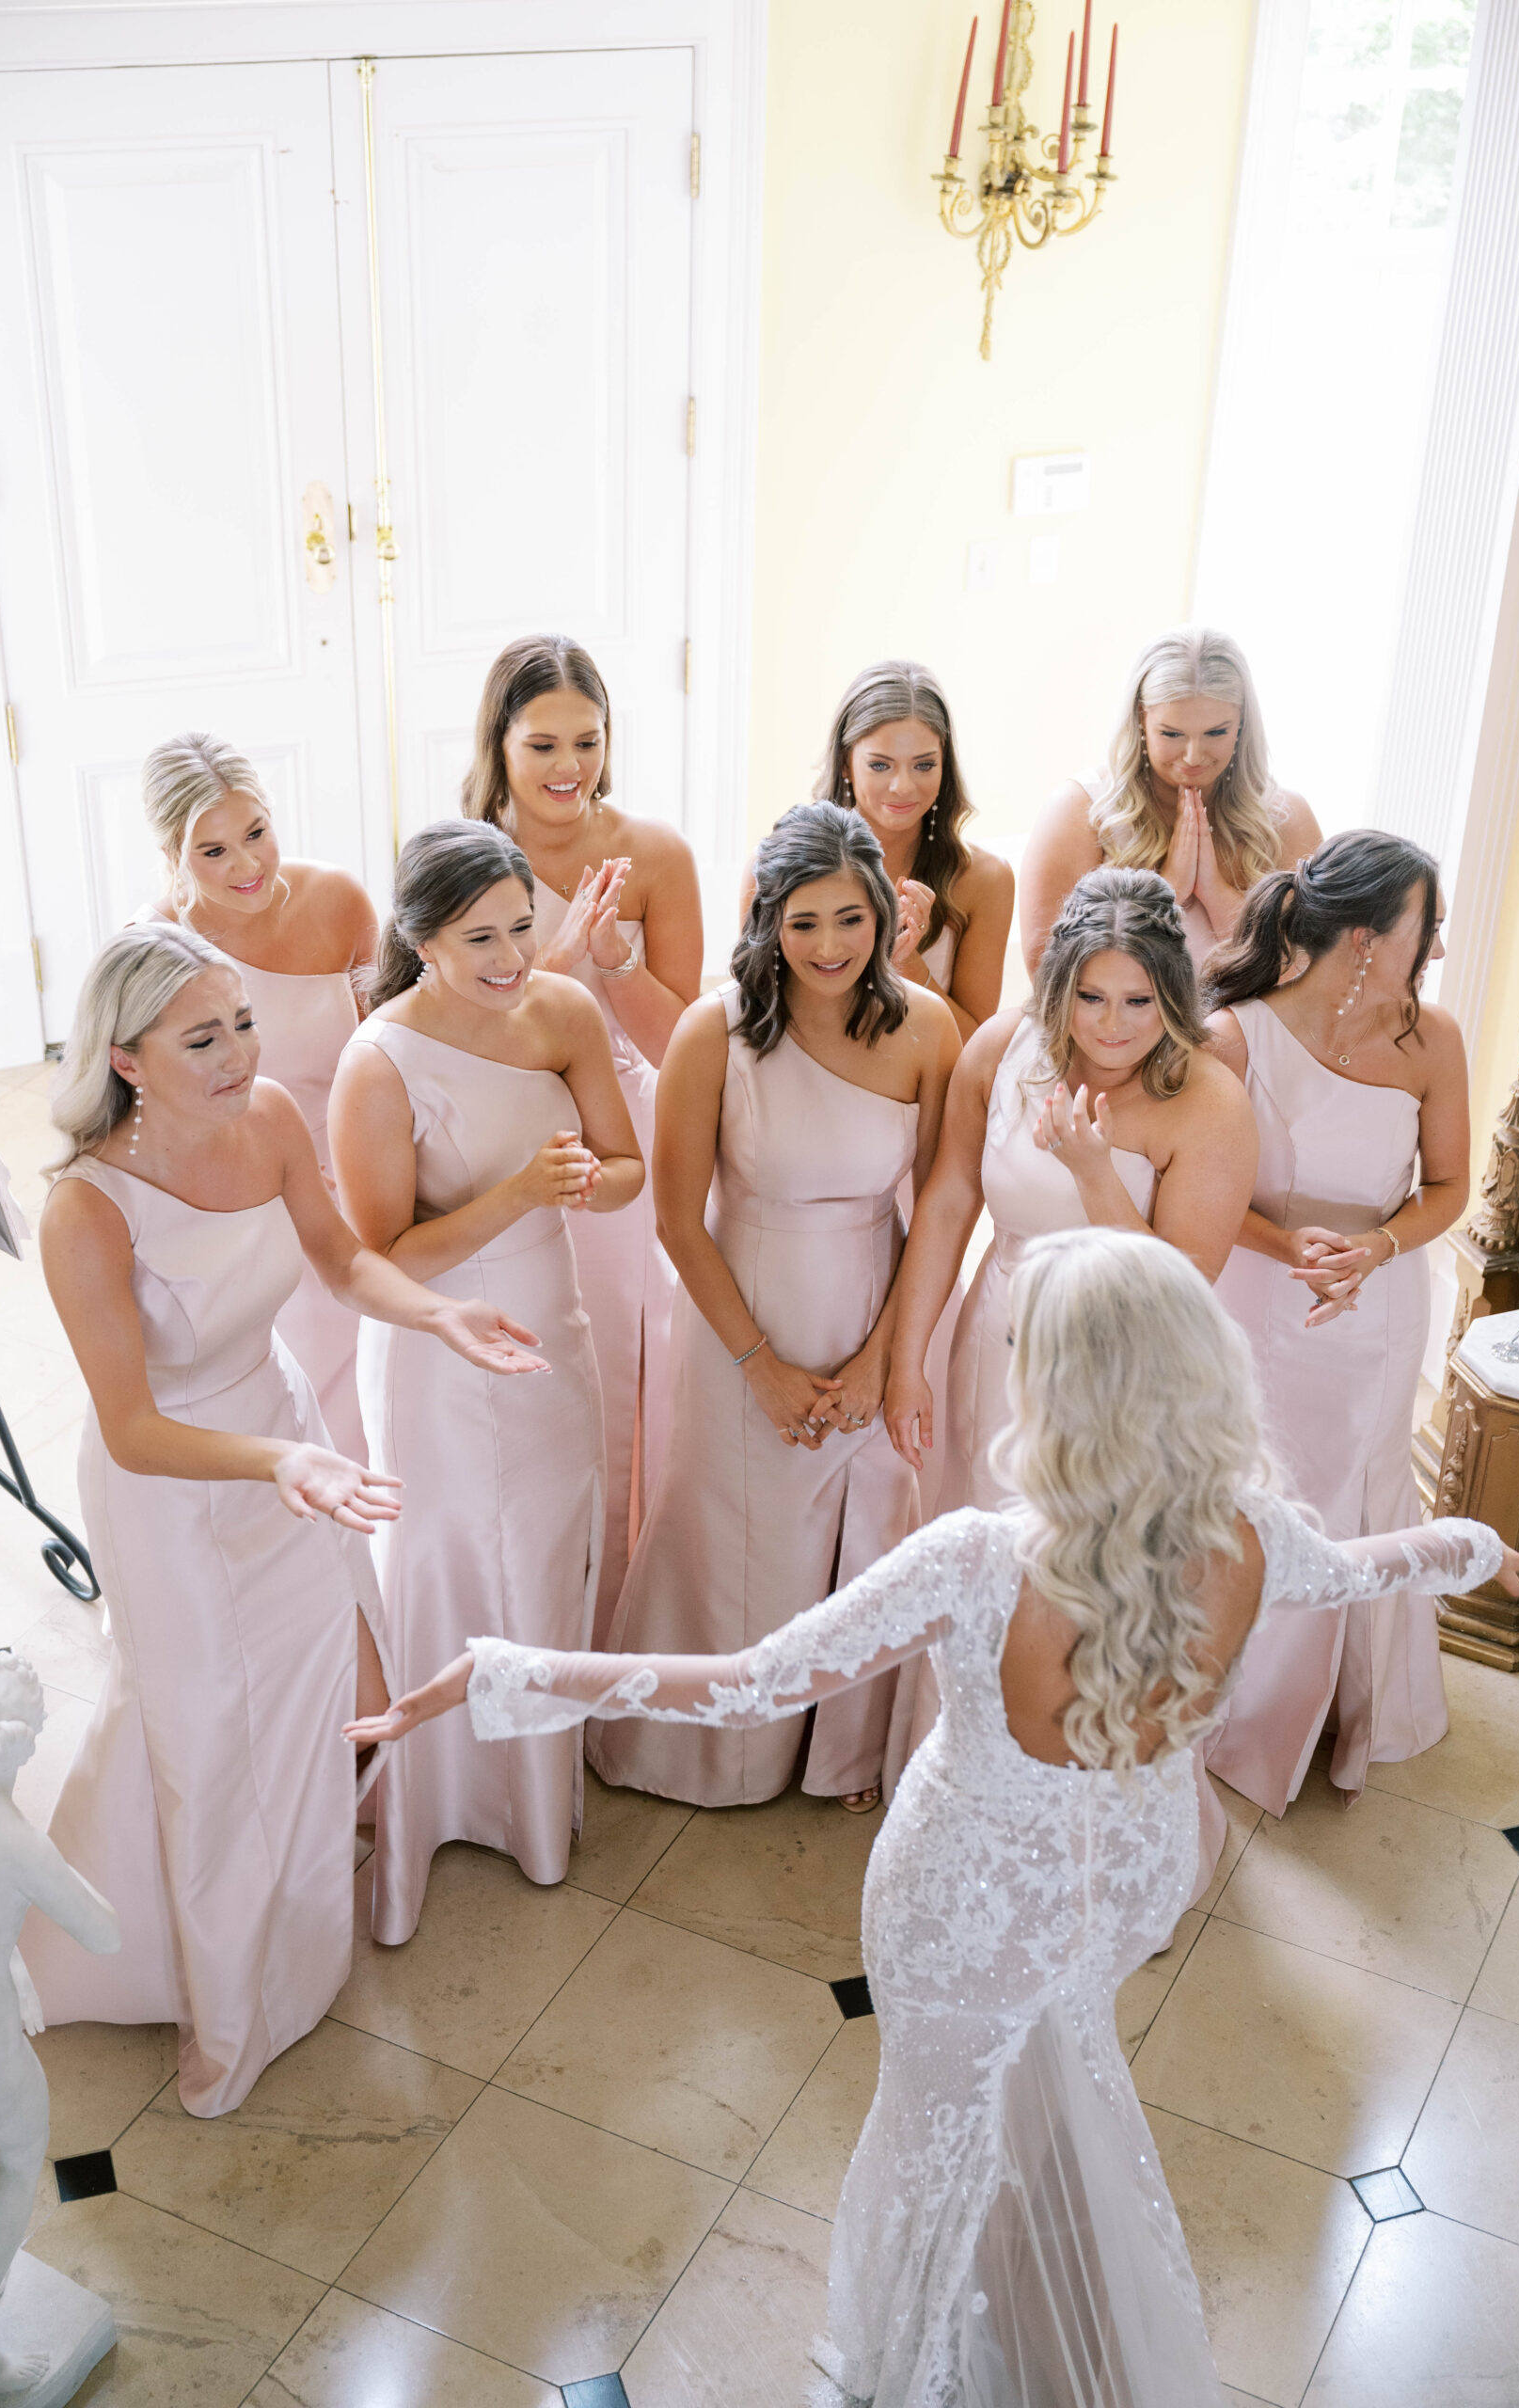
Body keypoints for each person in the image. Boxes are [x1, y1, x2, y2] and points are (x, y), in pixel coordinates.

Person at [345, 1227, 1519, 2408]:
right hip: (1127, 1883)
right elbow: (1368, 1566)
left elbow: (750, 1682)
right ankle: (1034, 2311)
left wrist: (504, 1671)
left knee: (938, 2124)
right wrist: (1482, 1545)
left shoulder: (979, 1559)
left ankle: (928, 2367)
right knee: (1053, 2071)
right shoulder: (1251, 1535)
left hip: (966, 1903)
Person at [24, 925, 539, 2115]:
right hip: (179, 1490)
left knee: (316, 1702)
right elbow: (134, 1424)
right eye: (201, 1037)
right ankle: (221, 2014)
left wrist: (437, 1315)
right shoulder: (86, 1212)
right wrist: (282, 1464)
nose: (238, 1053)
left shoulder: (267, 1123)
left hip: (281, 1435)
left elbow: (341, 1261)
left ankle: (299, 1950)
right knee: (206, 1736)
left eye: (244, 1022)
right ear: (127, 1059)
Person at [593, 801, 958, 1814]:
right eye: (803, 922)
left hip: (876, 1300)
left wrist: (890, 1352)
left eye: (849, 918)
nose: (828, 946)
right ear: (766, 919)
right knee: (733, 1534)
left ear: (883, 915)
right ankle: (715, 1752)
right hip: (736, 1311)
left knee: (865, 1531)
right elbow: (675, 1219)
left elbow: (937, 1207)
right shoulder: (713, 1031)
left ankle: (838, 1754)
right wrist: (759, 1363)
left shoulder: (929, 1030)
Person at [329, 820, 643, 1941]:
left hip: (548, 1322)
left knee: (550, 1541)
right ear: (418, 938)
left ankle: (535, 1807)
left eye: (522, 926)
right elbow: (375, 1263)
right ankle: (434, 1804)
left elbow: (624, 1167)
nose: (513, 957)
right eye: (481, 938)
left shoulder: (559, 1011)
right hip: (435, 1348)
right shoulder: (378, 1061)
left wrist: (580, 1185)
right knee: (445, 1553)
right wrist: (516, 1194)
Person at [1201, 832, 1469, 1811]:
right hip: (1261, 1300)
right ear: (1361, 937)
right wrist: (1293, 1250)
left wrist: (1378, 1250)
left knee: (1361, 1485)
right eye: (1422, 927)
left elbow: (1447, 1186)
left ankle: (1353, 1709)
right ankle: (1244, 1708)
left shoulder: (1429, 1039)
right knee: (1261, 1494)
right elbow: (1195, 1199)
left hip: (1381, 1300)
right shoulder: (1235, 1034)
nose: (1434, 947)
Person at [886, 866, 1258, 1513]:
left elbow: (1178, 1290)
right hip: (997, 1342)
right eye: (1090, 997)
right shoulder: (1003, 1046)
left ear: (1170, 993)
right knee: (982, 1533)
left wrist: (1093, 1173)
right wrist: (906, 1360)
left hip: (1127, 1367)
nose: (1112, 1024)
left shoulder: (1209, 1100)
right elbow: (946, 1205)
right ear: (1060, 986)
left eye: (1138, 1001)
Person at [463, 636, 703, 1638]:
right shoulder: (461, 853)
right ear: (499, 742)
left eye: (588, 742)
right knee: (519, 1371)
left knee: (617, 1367)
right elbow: (442, 1037)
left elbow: (688, 1035)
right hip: (501, 1134)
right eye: (543, 744)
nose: (569, 768)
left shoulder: (652, 854)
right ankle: (515, 1604)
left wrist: (608, 969)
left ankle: (611, 1615)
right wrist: (555, 968)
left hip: (621, 1139)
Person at [136, 732, 378, 1458]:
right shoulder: (156, 950)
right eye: (212, 852)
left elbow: (390, 1047)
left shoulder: (336, 899)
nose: (246, 865)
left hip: (365, 1165)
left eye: (256, 833)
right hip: (251, 1196)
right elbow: (159, 1128)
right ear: (172, 854)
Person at [1018, 627, 1321, 976]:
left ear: (1242, 724)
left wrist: (1215, 892)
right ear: (1141, 720)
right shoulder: (1079, 809)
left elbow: (1308, 971)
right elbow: (1048, 969)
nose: (1193, 757)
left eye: (1216, 732)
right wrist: (1167, 892)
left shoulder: (1288, 815)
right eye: (1172, 734)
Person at [748, 660, 1014, 1039]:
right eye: (880, 765)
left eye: (924, 765)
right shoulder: (772, 865)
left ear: (945, 765)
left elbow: (975, 1044)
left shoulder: (985, 879)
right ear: (845, 764)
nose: (903, 786)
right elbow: (758, 1014)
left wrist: (906, 962)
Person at [0, 1656, 119, 2397]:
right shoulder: (14, 1838)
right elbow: (102, 1933)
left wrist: (8, 1959)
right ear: (23, 1741)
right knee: (18, 2155)